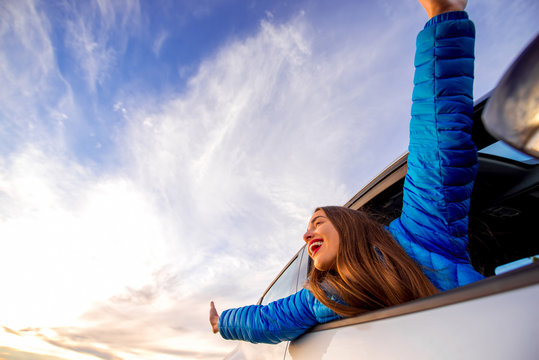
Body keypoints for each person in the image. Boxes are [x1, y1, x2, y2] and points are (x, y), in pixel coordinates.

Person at [209, 0, 484, 344]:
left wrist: (442, 17)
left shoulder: (419, 236)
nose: (307, 237)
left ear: (349, 224)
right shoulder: (320, 297)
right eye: (307, 231)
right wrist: (225, 323)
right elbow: (269, 318)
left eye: (318, 222)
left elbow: (437, 144)